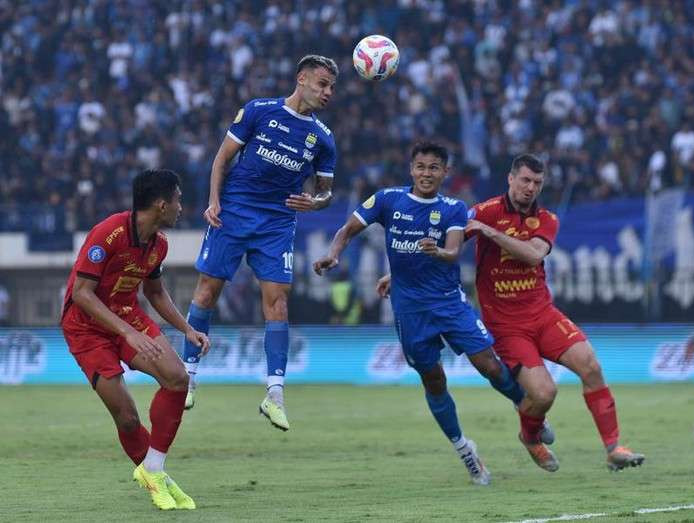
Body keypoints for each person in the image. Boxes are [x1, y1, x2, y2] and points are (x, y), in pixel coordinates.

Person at [314, 142, 532, 486]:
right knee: (434, 380)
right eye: (420, 167)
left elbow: (454, 251)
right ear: (411, 169)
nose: (426, 173)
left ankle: (528, 412)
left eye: (434, 168)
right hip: (409, 310)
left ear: (445, 173)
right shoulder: (388, 200)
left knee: (489, 364)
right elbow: (348, 230)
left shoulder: (453, 208)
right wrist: (334, 254)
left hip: (449, 303)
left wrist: (438, 251)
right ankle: (465, 450)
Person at [181, 55, 338, 431]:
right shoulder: (258, 111)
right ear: (301, 79)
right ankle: (187, 376)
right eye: (321, 84)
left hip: (277, 222)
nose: (328, 93)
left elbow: (326, 194)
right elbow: (221, 160)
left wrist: (313, 203)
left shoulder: (324, 139)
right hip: (234, 211)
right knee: (207, 291)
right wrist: (214, 201)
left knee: (278, 300)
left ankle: (275, 394)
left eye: (331, 87)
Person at [462, 153, 645, 472]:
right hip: (506, 325)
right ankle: (530, 437)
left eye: (537, 183)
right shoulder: (483, 211)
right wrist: (403, 273)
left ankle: (614, 448)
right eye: (525, 180)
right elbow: (447, 242)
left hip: (543, 314)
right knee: (544, 393)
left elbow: (534, 255)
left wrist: (489, 233)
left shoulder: (547, 219)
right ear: (510, 178)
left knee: (591, 366)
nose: (530, 188)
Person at [60, 169, 210, 510]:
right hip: (86, 326)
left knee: (177, 379)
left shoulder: (159, 245)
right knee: (126, 417)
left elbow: (155, 293)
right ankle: (156, 476)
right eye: (178, 200)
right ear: (161, 204)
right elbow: (82, 294)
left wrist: (187, 328)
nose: (181, 208)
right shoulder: (108, 233)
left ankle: (154, 468)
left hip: (126, 314)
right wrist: (127, 333)